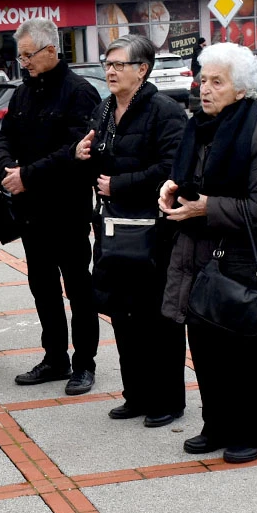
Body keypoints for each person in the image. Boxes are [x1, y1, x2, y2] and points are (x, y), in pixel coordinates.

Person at [158, 43, 257, 464]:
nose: (206, 89)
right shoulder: (199, 128)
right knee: (205, 350)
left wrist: (205, 207)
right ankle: (216, 425)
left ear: (242, 90)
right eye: (203, 79)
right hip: (197, 258)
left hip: (242, 264)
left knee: (243, 354)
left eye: (218, 82)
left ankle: (255, 433)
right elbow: (191, 178)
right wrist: (172, 186)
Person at [74, 35, 187, 427]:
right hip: (111, 228)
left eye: (119, 64)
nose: (110, 70)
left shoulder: (165, 111)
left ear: (143, 69)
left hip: (153, 231)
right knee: (122, 314)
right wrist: (81, 156)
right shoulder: (103, 109)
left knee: (158, 319)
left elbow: (174, 168)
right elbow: (97, 169)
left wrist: (120, 185)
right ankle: (135, 395)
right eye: (108, 63)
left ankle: (168, 401)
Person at [0, 17, 102, 395]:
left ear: (51, 50)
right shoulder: (23, 93)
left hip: (67, 210)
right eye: (20, 56)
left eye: (28, 55)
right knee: (42, 287)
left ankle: (83, 364)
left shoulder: (79, 92)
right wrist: (9, 169)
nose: (23, 62)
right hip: (30, 212)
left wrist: (28, 175)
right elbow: (3, 138)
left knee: (78, 287)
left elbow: (75, 154)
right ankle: (54, 357)